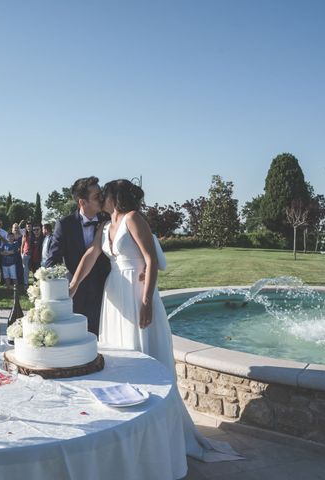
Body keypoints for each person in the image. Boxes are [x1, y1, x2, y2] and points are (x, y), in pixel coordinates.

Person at [70, 179, 242, 463]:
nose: (101, 198)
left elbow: (150, 260)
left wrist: (146, 301)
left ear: (116, 197)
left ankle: (157, 433)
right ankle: (126, 428)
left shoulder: (133, 218)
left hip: (137, 293)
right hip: (114, 295)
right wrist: (74, 284)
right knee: (119, 358)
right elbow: (93, 254)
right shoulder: (104, 226)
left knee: (145, 355)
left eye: (105, 194)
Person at [46, 177, 110, 335]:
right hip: (76, 293)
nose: (101, 199)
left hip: (107, 289)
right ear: (82, 202)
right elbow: (53, 260)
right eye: (96, 197)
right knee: (78, 338)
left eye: (101, 195)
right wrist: (50, 287)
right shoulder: (65, 224)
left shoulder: (109, 221)